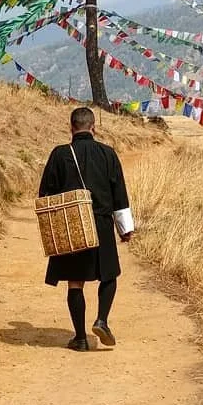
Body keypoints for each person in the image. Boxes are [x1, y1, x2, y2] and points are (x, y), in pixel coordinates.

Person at [38, 106, 134, 351]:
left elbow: (45, 194)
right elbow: (119, 193)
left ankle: (80, 338)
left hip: (72, 224)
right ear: (94, 127)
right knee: (109, 275)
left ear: (71, 127)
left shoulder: (59, 155)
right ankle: (102, 319)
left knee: (75, 282)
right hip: (101, 222)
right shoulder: (107, 154)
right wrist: (125, 228)